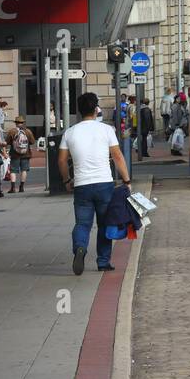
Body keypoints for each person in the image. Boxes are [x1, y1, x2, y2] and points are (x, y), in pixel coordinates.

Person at [58, 92, 132, 275]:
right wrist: (126, 180)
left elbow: (61, 160)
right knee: (105, 224)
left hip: (82, 185)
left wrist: (67, 180)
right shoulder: (106, 130)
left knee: (82, 223)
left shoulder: (70, 132)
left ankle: (80, 248)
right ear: (96, 109)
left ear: (79, 110)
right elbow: (117, 156)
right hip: (104, 184)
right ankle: (103, 261)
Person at [5, 115, 37, 193]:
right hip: (26, 154)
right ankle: (21, 187)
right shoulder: (28, 131)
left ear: (16, 123)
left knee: (13, 170)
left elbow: (7, 142)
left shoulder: (12, 131)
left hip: (15, 154)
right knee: (24, 170)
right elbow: (33, 142)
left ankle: (13, 188)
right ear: (23, 123)